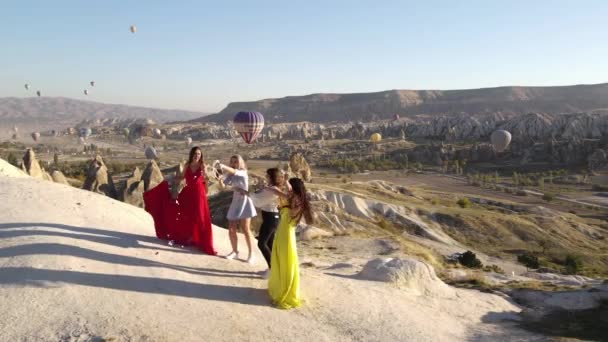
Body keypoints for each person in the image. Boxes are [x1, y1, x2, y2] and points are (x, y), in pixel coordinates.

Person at [143, 146, 217, 255]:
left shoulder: (202, 166)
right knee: (183, 215)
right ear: (192, 154)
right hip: (187, 194)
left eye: (199, 154)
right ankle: (188, 237)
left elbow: (205, 181)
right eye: (196, 154)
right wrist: (169, 180)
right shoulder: (187, 165)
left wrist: (205, 177)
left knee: (201, 218)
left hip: (199, 195)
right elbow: (182, 177)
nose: (197, 156)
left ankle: (203, 242)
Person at [267, 177, 313, 309]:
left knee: (284, 260)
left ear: (293, 188)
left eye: (290, 188)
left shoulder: (294, 199)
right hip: (284, 232)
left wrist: (285, 184)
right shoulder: (296, 199)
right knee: (283, 259)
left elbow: (277, 191)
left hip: (286, 234)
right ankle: (282, 286)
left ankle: (284, 290)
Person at [214, 155, 257, 263]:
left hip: (245, 202)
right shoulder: (231, 175)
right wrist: (219, 179)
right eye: (232, 162)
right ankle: (235, 251)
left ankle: (251, 253)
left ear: (240, 163)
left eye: (236, 162)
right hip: (235, 203)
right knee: (231, 229)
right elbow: (223, 187)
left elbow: (234, 171)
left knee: (246, 229)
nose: (233, 164)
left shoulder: (243, 172)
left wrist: (222, 166)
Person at [249, 168, 290, 278]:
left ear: (272, 177)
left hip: (271, 219)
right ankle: (274, 268)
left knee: (262, 243)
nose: (265, 177)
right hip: (272, 218)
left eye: (267, 176)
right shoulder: (271, 188)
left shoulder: (273, 189)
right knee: (270, 245)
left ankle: (272, 269)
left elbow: (282, 195)